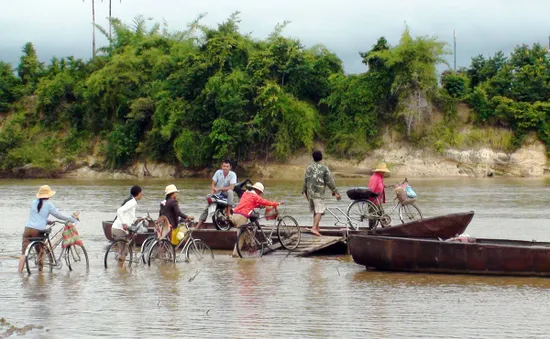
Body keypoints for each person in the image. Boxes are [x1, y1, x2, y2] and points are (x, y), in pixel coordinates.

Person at [18, 185, 78, 273]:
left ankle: (20, 273)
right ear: (49, 195)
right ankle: (41, 275)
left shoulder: (33, 202)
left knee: (23, 254)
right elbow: (59, 215)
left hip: (27, 229)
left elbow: (36, 216)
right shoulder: (49, 204)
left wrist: (47, 221)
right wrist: (72, 219)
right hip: (38, 231)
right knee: (41, 252)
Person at [231, 182, 280, 257]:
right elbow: (265, 202)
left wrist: (260, 206)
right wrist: (275, 204)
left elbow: (250, 203)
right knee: (241, 237)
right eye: (260, 192)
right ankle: (235, 255)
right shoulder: (255, 196)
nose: (260, 194)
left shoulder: (246, 193)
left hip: (234, 215)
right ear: (258, 191)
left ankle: (252, 250)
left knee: (246, 232)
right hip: (241, 217)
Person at [302, 150, 341, 237]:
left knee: (316, 210)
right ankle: (314, 228)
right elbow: (330, 181)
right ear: (321, 158)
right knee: (320, 210)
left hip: (310, 193)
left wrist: (303, 191)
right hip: (318, 193)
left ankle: (317, 227)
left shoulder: (309, 168)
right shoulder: (324, 168)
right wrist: (335, 192)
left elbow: (306, 180)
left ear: (313, 158)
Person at [196, 159, 237, 229]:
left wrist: (219, 189)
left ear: (230, 167)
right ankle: (198, 226)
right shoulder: (218, 172)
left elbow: (231, 187)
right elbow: (213, 183)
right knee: (207, 208)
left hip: (226, 193)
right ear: (221, 166)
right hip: (217, 193)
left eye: (227, 166)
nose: (225, 168)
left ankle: (228, 212)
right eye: (224, 166)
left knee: (230, 192)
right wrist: (213, 191)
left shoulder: (233, 174)